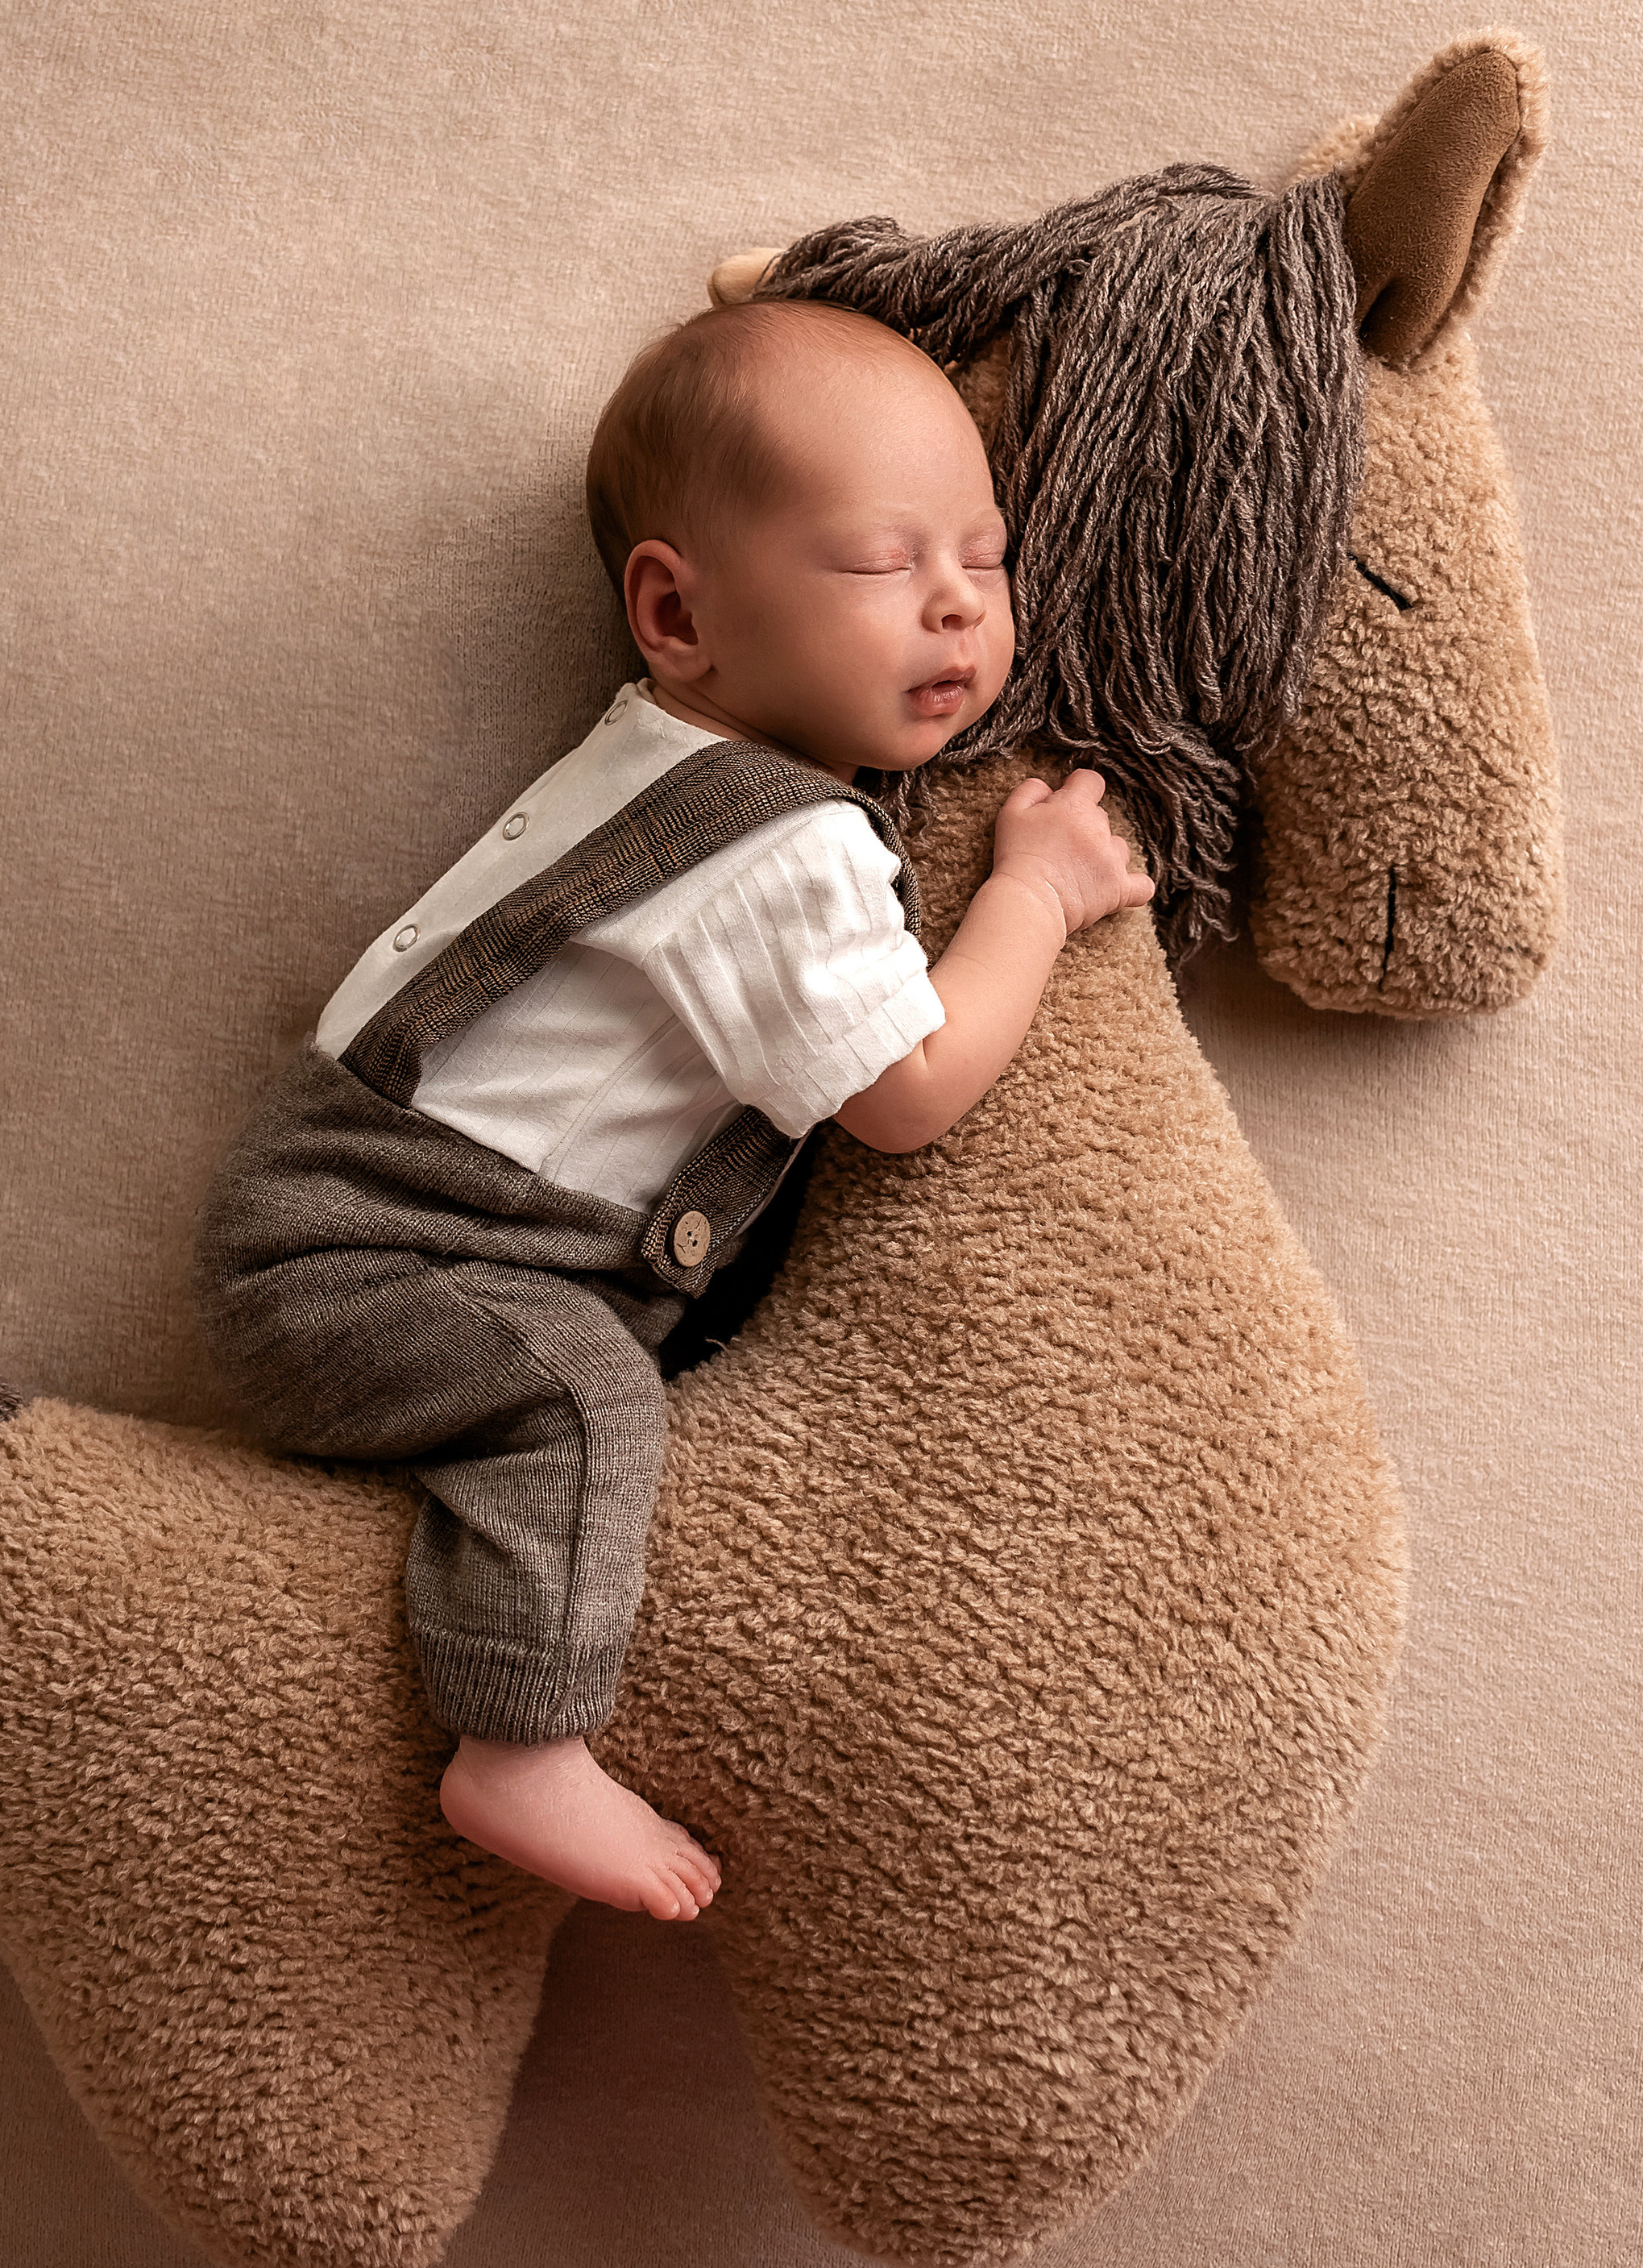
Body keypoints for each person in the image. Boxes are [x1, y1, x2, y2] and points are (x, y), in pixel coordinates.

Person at [191, 296, 1152, 1924]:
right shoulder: (780, 847)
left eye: (984, 559)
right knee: (584, 1400)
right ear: (675, 612)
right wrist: (1034, 901)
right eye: (881, 563)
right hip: (371, 1262)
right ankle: (516, 1745)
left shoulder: (655, 756)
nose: (955, 605)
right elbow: (906, 1095)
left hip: (329, 1216)